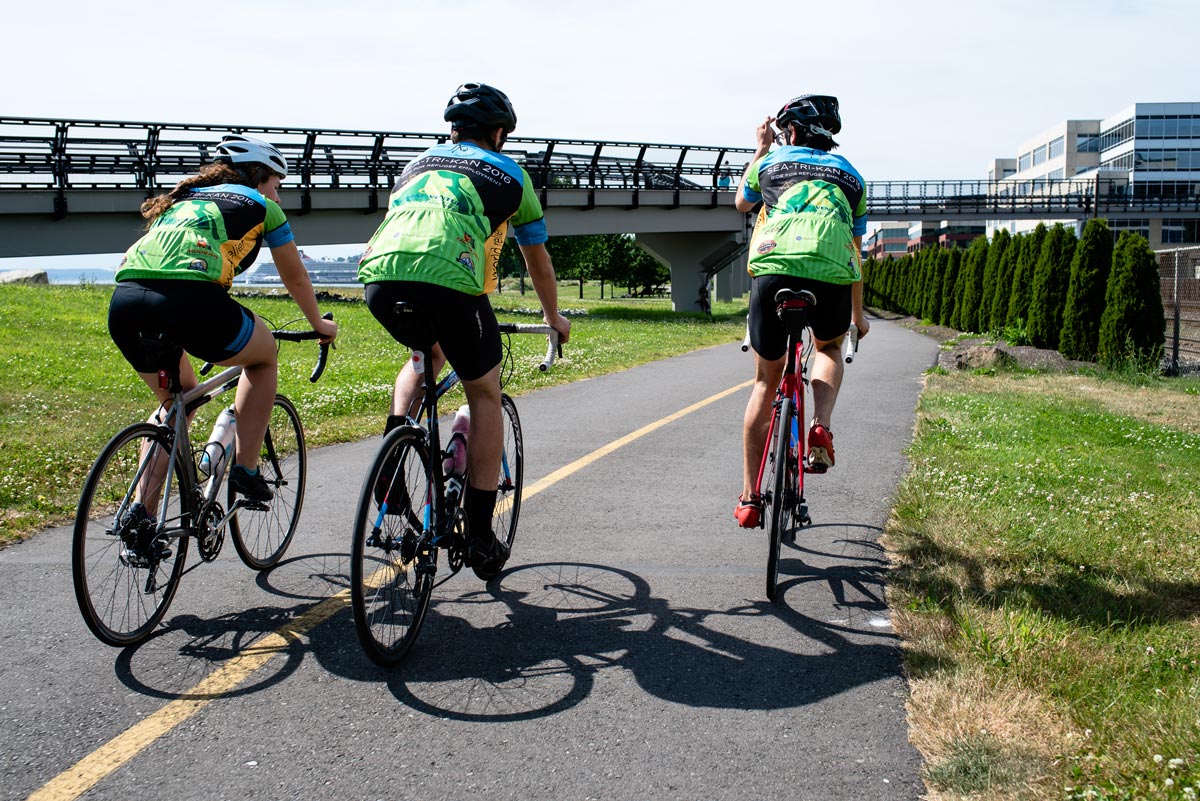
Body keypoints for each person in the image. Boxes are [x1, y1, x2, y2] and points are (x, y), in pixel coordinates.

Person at [358, 82, 571, 577]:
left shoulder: (415, 165)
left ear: (452, 130)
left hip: (380, 280)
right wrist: (552, 317)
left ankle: (396, 449)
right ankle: (478, 531)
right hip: (452, 288)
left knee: (425, 355)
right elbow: (536, 261)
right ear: (499, 133)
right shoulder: (512, 175)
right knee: (484, 394)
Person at [108, 134, 339, 511]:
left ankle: (140, 517)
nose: (278, 197)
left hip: (126, 301)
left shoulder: (180, 201)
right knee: (262, 356)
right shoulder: (263, 207)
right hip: (191, 302)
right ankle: (246, 470)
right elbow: (295, 276)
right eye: (276, 186)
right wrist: (318, 323)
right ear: (259, 177)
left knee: (175, 402)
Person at [732, 94, 869, 528]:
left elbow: (741, 202)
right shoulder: (852, 176)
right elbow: (856, 248)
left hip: (773, 270)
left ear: (788, 132)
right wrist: (858, 316)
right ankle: (821, 426)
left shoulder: (770, 164)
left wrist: (760, 147)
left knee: (764, 381)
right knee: (827, 347)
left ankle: (752, 497)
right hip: (831, 273)